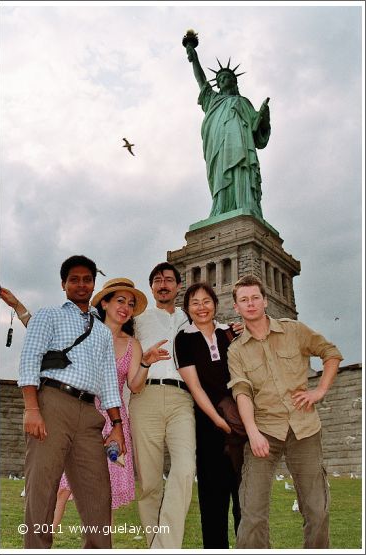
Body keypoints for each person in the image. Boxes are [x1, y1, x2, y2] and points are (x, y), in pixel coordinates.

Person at [1, 279, 169, 528]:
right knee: (60, 488)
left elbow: (135, 386)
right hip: (77, 410)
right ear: (105, 302)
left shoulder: (132, 344)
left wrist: (145, 362)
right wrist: (18, 306)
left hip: (112, 422)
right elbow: (45, 334)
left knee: (104, 496)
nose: (126, 307)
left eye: (131, 304)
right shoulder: (84, 328)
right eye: (120, 300)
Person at [227, 275, 344, 549]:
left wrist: (319, 391)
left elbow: (331, 353)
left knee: (317, 509)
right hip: (264, 432)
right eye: (244, 300)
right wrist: (253, 434)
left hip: (305, 429)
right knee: (252, 514)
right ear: (236, 307)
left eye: (255, 298)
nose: (251, 303)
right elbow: (241, 393)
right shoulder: (236, 351)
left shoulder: (294, 331)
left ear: (265, 301)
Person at [17, 255, 126, 549]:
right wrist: (32, 408)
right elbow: (30, 359)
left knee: (97, 494)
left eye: (87, 279)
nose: (81, 284)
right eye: (74, 279)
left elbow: (108, 382)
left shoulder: (102, 331)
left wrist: (116, 425)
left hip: (89, 411)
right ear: (63, 284)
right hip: (51, 402)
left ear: (94, 284)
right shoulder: (48, 315)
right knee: (42, 489)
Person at [129, 262, 196, 549]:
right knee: (149, 482)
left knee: (184, 469)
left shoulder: (191, 317)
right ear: (152, 287)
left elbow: (218, 332)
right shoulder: (138, 318)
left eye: (169, 279)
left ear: (178, 285)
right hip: (145, 397)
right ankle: (155, 546)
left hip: (183, 398)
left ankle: (164, 546)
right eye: (157, 280)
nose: (163, 284)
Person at [174, 282, 244, 548]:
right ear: (187, 308)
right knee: (212, 499)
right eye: (195, 303)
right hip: (208, 425)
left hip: (241, 423)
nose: (201, 307)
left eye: (206, 301)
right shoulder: (184, 338)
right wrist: (217, 420)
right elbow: (194, 386)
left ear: (215, 304)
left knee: (244, 498)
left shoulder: (230, 333)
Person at [185, 39, 270, 219]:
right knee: (220, 175)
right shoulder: (213, 101)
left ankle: (244, 204)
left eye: (227, 78)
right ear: (218, 83)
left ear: (234, 82)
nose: (224, 80)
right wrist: (195, 60)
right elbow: (201, 81)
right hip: (218, 147)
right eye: (220, 78)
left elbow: (258, 132)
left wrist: (264, 116)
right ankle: (221, 208)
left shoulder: (243, 102)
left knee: (241, 170)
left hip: (241, 146)